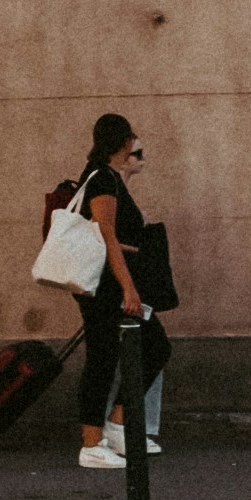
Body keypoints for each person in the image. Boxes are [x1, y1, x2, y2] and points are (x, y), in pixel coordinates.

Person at [55, 114, 167, 470]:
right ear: (123, 141)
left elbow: (114, 236)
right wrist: (128, 289)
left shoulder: (108, 177)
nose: (136, 142)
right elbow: (105, 236)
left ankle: (117, 425)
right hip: (104, 286)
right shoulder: (102, 178)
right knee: (103, 359)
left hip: (108, 283)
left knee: (152, 347)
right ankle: (91, 444)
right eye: (132, 136)